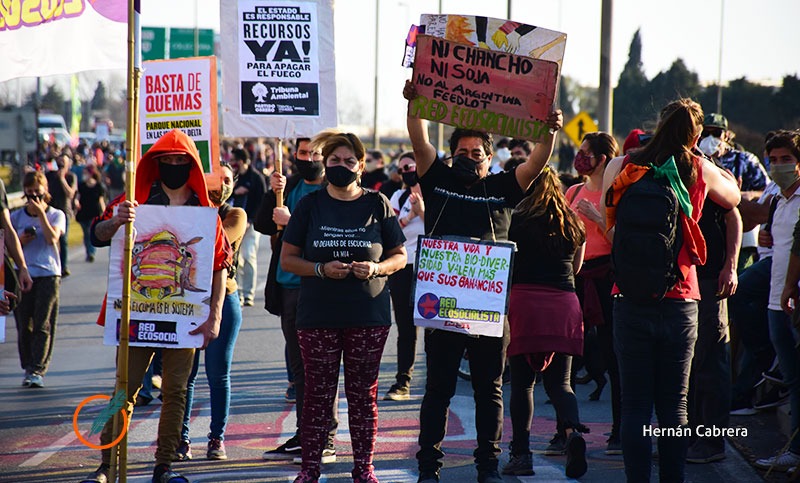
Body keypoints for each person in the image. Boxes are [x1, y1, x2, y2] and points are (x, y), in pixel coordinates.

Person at [404, 79, 563, 483]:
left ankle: (487, 466)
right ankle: (428, 466)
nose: (468, 158)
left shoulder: (504, 186)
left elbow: (538, 161)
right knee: (437, 389)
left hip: (488, 310)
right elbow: (419, 139)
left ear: (491, 157)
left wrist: (550, 129)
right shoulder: (437, 179)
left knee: (488, 390)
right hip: (442, 307)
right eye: (461, 152)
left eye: (477, 153)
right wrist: (416, 101)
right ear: (450, 155)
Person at [80, 129, 231, 483]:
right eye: (168, 161)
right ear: (156, 163)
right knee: (124, 388)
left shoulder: (206, 212)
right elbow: (96, 236)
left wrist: (215, 316)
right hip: (137, 313)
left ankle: (165, 465)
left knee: (176, 392)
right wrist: (117, 221)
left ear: (192, 164)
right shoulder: (133, 200)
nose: (175, 166)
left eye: (182, 161)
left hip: (185, 318)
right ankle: (107, 465)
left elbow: (220, 266)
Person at [601, 99, 740, 482]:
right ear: (695, 135)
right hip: (681, 300)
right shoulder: (698, 169)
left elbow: (610, 231)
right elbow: (735, 199)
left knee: (634, 408)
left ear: (658, 125)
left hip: (629, 299)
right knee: (675, 408)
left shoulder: (623, 165)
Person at [280, 131, 407, 483]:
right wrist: (320, 269)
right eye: (334, 161)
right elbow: (288, 259)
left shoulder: (377, 203)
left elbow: (400, 255)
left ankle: (364, 469)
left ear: (361, 166)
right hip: (318, 315)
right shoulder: (310, 205)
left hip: (367, 316)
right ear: (324, 164)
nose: (341, 166)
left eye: (349, 161)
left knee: (363, 396)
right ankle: (310, 469)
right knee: (317, 395)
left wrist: (377, 268)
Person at [256, 138, 340, 464]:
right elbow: (263, 224)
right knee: (300, 371)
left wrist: (294, 222)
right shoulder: (288, 186)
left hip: (316, 286)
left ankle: (326, 438)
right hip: (287, 288)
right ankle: (305, 433)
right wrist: (270, 191)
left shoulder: (334, 190)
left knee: (321, 367)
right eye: (304, 153)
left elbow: (331, 232)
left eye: (316, 153)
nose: (309, 158)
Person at [502, 168, 588, 479]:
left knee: (523, 384)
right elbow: (577, 267)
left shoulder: (517, 220)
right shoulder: (572, 221)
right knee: (560, 384)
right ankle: (572, 434)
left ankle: (521, 454)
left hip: (526, 302)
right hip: (564, 304)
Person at [177, 161, 246, 461]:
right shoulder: (188, 208)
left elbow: (214, 242)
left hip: (223, 300)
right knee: (184, 376)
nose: (221, 184)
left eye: (227, 179)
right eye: (215, 178)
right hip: (186, 301)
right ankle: (181, 439)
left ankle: (216, 438)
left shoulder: (235, 214)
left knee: (217, 375)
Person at [564, 132, 623, 454]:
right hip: (575, 276)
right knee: (567, 356)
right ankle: (567, 430)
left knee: (615, 355)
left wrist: (599, 218)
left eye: (586, 153)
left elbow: (624, 242)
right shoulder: (572, 191)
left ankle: (619, 430)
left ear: (602, 159)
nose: (580, 158)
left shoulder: (618, 193)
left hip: (608, 276)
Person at [761, 130, 800, 472]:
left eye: (786, 159)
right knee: (792, 378)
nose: (778, 167)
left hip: (795, 300)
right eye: (773, 160)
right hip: (777, 300)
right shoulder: (778, 199)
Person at [12, 171, 66, 388]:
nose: (34, 195)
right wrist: (21, 240)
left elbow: (53, 237)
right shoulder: (16, 217)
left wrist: (41, 215)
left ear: (46, 191)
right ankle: (27, 364)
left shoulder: (56, 214)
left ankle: (37, 369)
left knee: (43, 323)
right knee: (24, 323)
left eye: (38, 191)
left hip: (48, 273)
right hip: (22, 273)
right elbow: (8, 245)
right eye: (30, 191)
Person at [699, 113, 769, 272]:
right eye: (705, 133)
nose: (711, 138)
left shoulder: (744, 160)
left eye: (716, 133)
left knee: (741, 281)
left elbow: (768, 189)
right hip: (706, 231)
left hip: (742, 234)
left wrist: (750, 194)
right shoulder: (694, 159)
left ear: (726, 135)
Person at [384, 151, 425, 401]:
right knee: (406, 327)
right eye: (402, 169)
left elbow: (441, 228)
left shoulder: (436, 195)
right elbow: (392, 229)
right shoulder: (398, 196)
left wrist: (422, 212)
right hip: (403, 266)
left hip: (431, 267)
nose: (406, 172)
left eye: (409, 166)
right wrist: (411, 214)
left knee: (435, 328)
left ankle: (438, 379)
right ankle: (403, 381)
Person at [230, 147, 267, 306]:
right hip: (235, 224)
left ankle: (248, 294)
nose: (232, 163)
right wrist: (235, 191)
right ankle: (237, 293)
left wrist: (251, 220)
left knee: (249, 256)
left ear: (242, 161)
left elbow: (262, 201)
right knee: (236, 259)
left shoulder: (256, 178)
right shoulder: (234, 177)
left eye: (234, 160)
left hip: (251, 224)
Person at [46, 153, 78, 276]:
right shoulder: (49, 176)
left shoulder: (71, 177)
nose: (61, 166)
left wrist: (62, 179)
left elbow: (70, 194)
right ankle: (52, 264)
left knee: (63, 240)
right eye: (59, 163)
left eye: (63, 164)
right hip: (50, 211)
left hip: (64, 211)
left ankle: (63, 267)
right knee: (51, 239)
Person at [75, 164, 107, 262]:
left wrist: (105, 213)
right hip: (83, 212)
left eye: (86, 173)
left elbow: (101, 201)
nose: (84, 175)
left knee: (90, 232)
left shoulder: (98, 186)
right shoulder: (81, 185)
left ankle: (91, 252)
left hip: (94, 212)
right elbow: (77, 197)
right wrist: (76, 203)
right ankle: (88, 251)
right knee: (86, 234)